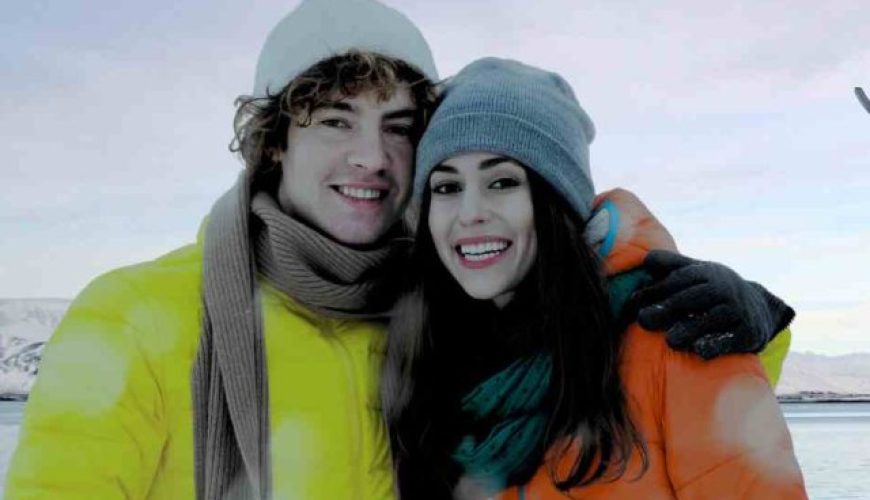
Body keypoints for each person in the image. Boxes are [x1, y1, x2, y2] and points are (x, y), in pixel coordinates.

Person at [6, 1, 793, 498]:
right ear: (274, 143)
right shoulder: (135, 317)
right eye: (335, 121)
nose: (372, 159)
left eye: (400, 129)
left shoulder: (446, 314)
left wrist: (759, 317)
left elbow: (645, 375)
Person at [383, 57, 806, 499]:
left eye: (503, 182)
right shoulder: (432, 364)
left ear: (555, 201)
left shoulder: (677, 332)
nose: (470, 214)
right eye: (447, 188)